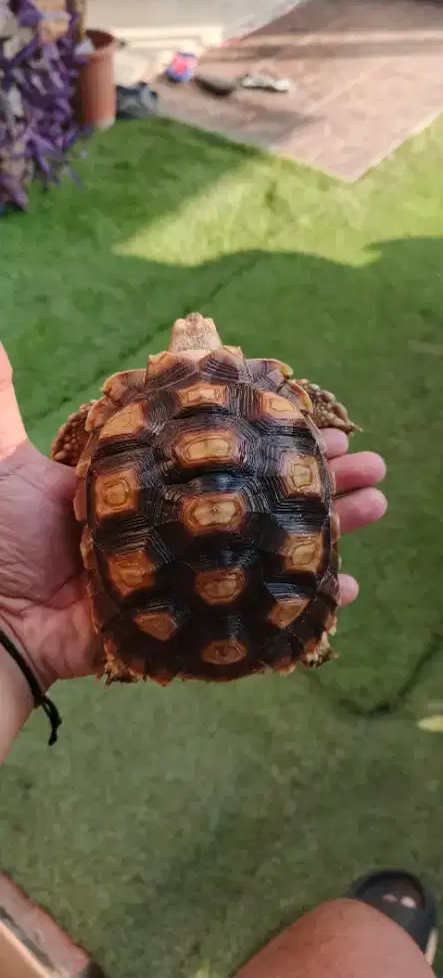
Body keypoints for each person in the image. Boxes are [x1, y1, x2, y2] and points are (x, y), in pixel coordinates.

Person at [4, 342, 434, 978]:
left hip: (142, 612)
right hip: (269, 603)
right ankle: (303, 634)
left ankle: (158, 644)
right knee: (364, 943)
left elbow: (81, 443)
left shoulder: (117, 413)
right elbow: (313, 416)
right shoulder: (277, 397)